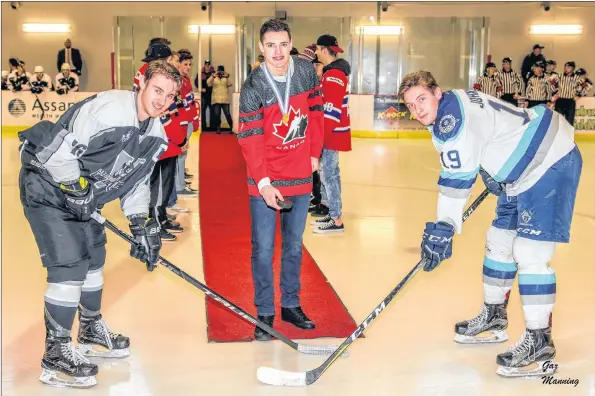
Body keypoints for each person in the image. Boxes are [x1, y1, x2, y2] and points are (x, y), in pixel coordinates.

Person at [398, 70, 582, 377]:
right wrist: (490, 169)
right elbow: (489, 131)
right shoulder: (454, 102)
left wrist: (443, 228)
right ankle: (495, 316)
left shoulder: (450, 121)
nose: (418, 110)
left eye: (422, 99)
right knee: (498, 240)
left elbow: (456, 179)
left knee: (530, 253)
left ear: (437, 92)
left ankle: (540, 341)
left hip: (549, 159)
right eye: (411, 105)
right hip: (521, 167)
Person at [18, 59, 181, 388]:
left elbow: (135, 183)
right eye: (156, 89)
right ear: (143, 85)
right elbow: (60, 153)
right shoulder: (109, 110)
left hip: (84, 196)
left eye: (169, 95)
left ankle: (90, 329)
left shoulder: (155, 134)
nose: (161, 99)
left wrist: (141, 224)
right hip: (47, 185)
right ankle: (56, 351)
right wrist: (76, 188)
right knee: (71, 265)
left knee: (94, 258)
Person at [237, 19, 324, 340]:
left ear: (291, 44)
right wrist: (263, 182)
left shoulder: (304, 73)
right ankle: (265, 312)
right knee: (262, 249)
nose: (277, 51)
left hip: (300, 174)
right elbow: (249, 139)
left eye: (283, 44)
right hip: (266, 179)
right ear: (261, 48)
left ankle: (290, 304)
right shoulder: (252, 87)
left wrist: (315, 152)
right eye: (270, 45)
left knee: (293, 246)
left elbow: (316, 113)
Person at [312, 34, 352, 234]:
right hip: (331, 133)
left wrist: (321, 138)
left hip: (331, 133)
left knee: (329, 175)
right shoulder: (331, 73)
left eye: (318, 49)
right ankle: (332, 211)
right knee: (330, 174)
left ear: (324, 49)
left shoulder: (334, 75)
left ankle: (336, 219)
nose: (316, 52)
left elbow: (332, 111)